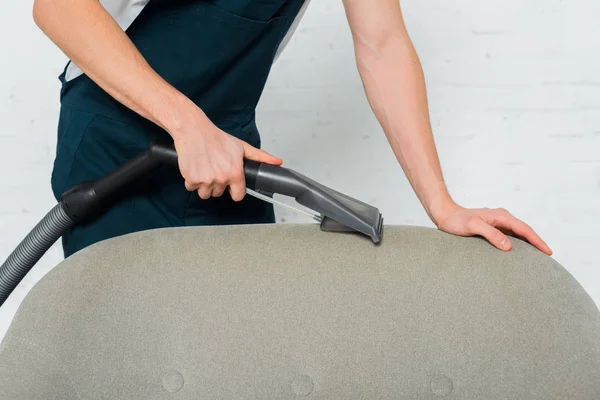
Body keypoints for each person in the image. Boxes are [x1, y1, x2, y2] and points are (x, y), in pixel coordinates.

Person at [32, 0, 552, 257]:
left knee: (248, 345)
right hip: (117, 144)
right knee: (137, 358)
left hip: (229, 154)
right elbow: (58, 7)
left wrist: (442, 204)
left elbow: (382, 44)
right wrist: (188, 125)